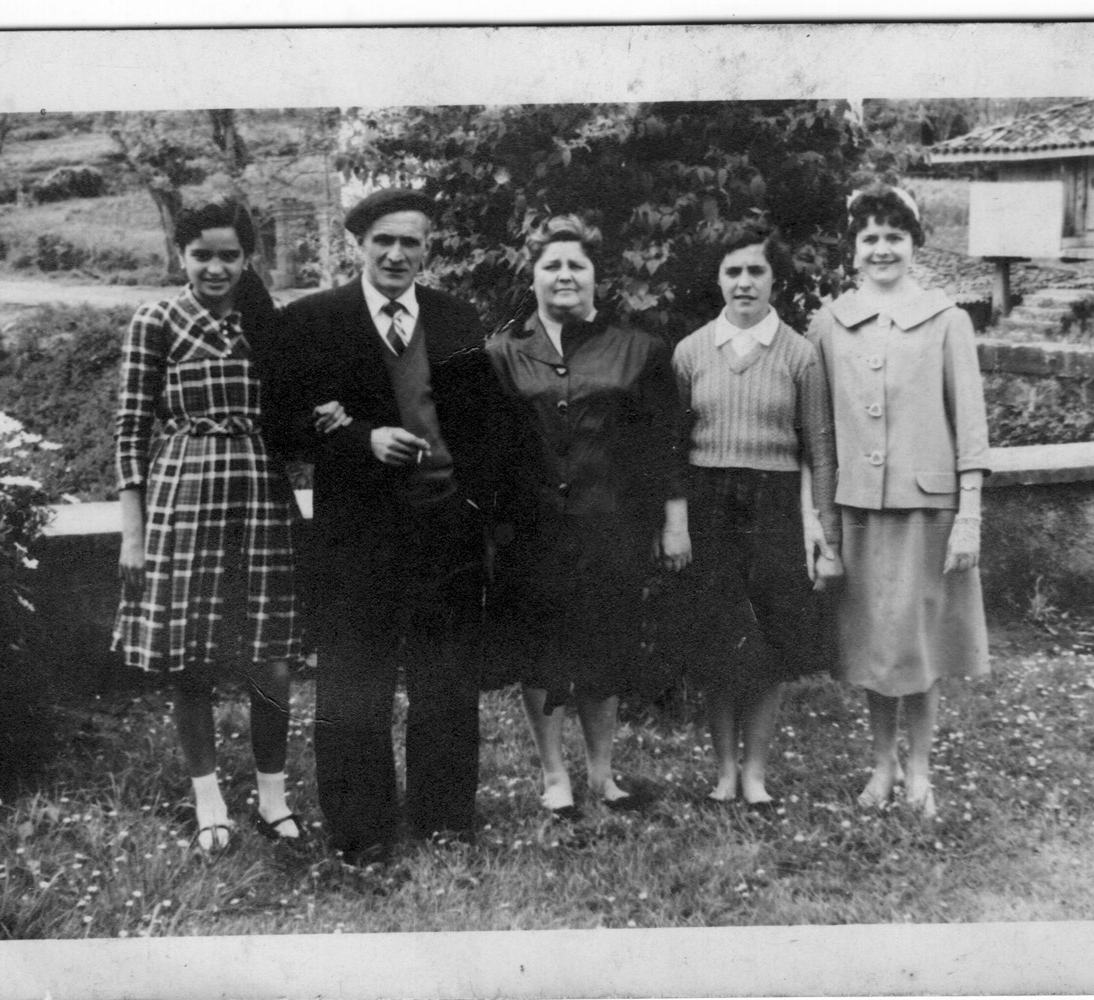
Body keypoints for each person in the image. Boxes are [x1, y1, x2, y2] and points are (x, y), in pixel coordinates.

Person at [264, 188, 500, 866]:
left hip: (445, 527)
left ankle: (444, 818)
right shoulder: (314, 320)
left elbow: (481, 421)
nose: (397, 254)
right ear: (359, 245)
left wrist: (477, 508)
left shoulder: (456, 318)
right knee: (353, 677)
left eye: (410, 242)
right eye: (383, 241)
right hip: (357, 532)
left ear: (427, 249)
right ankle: (360, 827)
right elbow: (280, 423)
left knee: (445, 676)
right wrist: (359, 439)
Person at [113, 199, 303, 853]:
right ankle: (208, 800)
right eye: (201, 255)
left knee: (270, 660)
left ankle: (273, 797)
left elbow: (295, 409)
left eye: (228, 255)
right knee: (190, 659)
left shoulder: (266, 325)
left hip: (259, 499)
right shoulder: (156, 320)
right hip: (183, 499)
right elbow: (130, 430)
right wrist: (133, 534)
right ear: (181, 256)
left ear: (248, 258)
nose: (215, 268)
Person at [485, 214, 690, 819]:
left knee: (606, 641)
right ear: (533, 275)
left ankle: (602, 772)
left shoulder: (640, 350)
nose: (565, 274)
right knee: (539, 648)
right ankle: (554, 774)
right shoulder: (502, 353)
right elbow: (488, 448)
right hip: (531, 529)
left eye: (576, 264)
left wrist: (673, 521)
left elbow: (665, 444)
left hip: (612, 525)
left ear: (597, 275)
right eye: (552, 264)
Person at [809, 183, 990, 819]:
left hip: (927, 511)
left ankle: (919, 771)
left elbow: (970, 427)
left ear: (915, 245)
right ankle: (882, 764)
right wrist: (821, 523)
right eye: (870, 238)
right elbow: (820, 434)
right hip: (858, 511)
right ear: (853, 249)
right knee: (874, 644)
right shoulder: (829, 323)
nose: (882, 249)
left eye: (895, 237)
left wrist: (969, 516)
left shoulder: (947, 320)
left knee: (918, 643)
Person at [672, 224, 840, 812]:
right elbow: (673, 446)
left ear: (774, 280)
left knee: (767, 643)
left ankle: (757, 775)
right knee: (718, 638)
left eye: (756, 271)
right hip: (708, 502)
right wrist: (676, 522)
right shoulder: (690, 352)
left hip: (774, 507)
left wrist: (825, 536)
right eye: (733, 271)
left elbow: (820, 448)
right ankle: (723, 772)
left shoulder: (799, 354)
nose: (744, 282)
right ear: (718, 279)